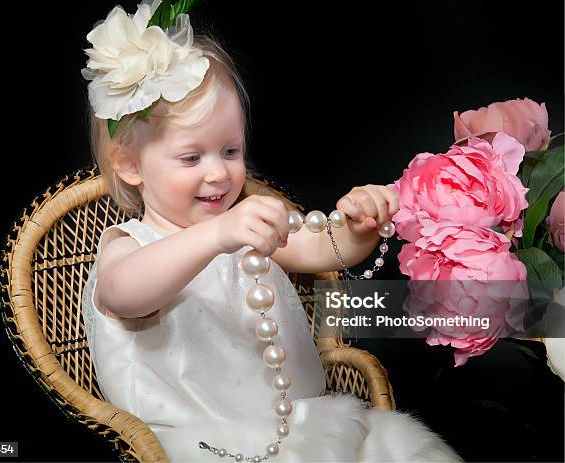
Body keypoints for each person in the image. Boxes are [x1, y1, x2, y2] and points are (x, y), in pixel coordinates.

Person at [80, 2, 463, 461]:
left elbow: (325, 249)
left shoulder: (250, 223)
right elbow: (126, 293)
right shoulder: (131, 246)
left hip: (308, 427)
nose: (218, 174)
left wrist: (360, 225)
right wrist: (218, 234)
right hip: (201, 444)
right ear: (130, 164)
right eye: (191, 158)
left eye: (230, 150)